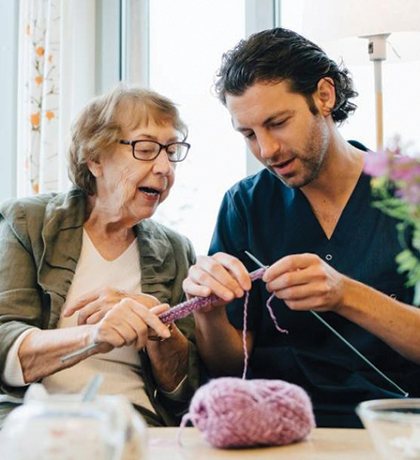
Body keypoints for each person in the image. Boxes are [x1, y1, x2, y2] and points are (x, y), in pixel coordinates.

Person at [182, 28, 420, 428]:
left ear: (324, 96)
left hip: (393, 428)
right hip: (276, 429)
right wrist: (208, 311)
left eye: (277, 122)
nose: (266, 150)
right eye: (249, 134)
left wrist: (345, 294)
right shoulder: (245, 205)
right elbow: (228, 366)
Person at [0, 85, 202, 427]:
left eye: (171, 151)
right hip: (37, 420)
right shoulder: (27, 222)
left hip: (137, 425)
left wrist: (160, 330)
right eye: (147, 148)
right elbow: (3, 340)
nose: (165, 168)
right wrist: (92, 337)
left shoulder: (177, 249)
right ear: (94, 158)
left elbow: (184, 392)